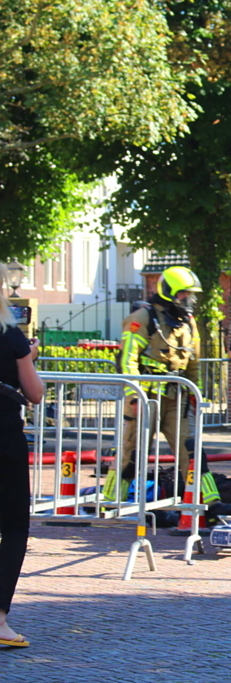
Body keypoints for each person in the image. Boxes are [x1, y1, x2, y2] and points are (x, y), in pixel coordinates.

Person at [102, 266, 231, 523]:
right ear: (170, 293)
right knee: (132, 451)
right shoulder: (143, 317)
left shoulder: (188, 323)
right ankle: (110, 502)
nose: (190, 300)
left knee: (192, 450)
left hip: (178, 400)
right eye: (185, 295)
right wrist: (133, 396)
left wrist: (196, 393)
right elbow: (127, 360)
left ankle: (209, 503)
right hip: (145, 398)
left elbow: (192, 362)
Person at [0, 264, 43, 648]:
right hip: (3, 439)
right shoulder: (11, 337)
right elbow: (35, 392)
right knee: (12, 526)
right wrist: (28, 356)